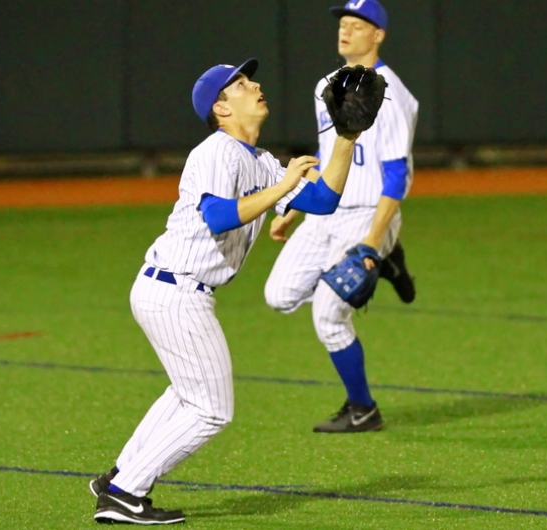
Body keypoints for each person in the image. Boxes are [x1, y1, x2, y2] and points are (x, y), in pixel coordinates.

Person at [88, 58, 364, 525]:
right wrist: (282, 186)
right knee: (211, 410)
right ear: (221, 108)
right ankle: (124, 493)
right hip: (175, 291)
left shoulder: (259, 161)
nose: (255, 85)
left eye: (251, 79)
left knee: (187, 394)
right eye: (241, 84)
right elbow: (218, 216)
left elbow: (322, 201)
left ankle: (120, 476)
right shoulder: (217, 151)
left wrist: (345, 138)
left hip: (172, 289)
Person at [264, 0, 419, 433]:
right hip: (326, 213)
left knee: (329, 315)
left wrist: (372, 240)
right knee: (278, 296)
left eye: (357, 25)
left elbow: (397, 177)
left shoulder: (394, 95)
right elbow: (326, 154)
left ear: (378, 35)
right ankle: (386, 263)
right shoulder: (326, 86)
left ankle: (363, 408)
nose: (345, 30)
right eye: (343, 23)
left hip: (368, 215)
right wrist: (296, 207)